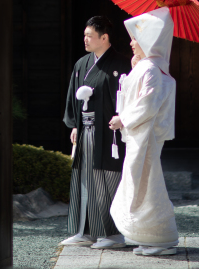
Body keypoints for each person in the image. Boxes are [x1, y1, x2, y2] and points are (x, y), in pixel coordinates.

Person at [109, 7, 180, 256]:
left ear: (148, 41)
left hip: (145, 133)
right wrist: (133, 67)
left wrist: (123, 119)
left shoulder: (150, 68)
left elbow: (148, 103)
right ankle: (150, 236)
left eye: (136, 38)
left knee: (146, 182)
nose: (131, 42)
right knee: (142, 182)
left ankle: (161, 237)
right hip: (143, 133)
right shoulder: (149, 65)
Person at [61, 16, 132, 249]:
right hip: (85, 130)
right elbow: (73, 96)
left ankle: (112, 234)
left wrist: (123, 117)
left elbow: (129, 96)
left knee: (106, 179)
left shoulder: (121, 64)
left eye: (90, 35)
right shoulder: (82, 63)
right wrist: (74, 125)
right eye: (84, 35)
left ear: (104, 37)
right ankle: (85, 231)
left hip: (109, 132)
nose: (85, 39)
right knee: (84, 179)